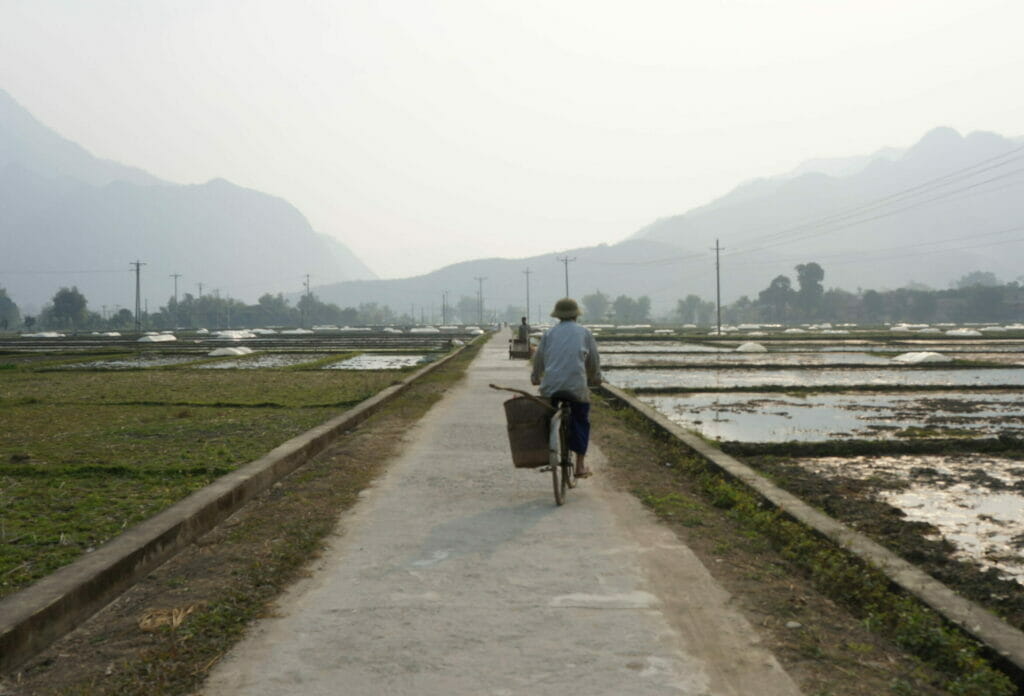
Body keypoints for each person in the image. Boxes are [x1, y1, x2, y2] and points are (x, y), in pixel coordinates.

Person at [530, 298, 602, 478]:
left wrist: (535, 377)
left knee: (546, 415)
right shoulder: (584, 333)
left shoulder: (549, 334)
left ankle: (549, 450)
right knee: (580, 420)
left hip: (551, 386)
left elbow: (539, 358)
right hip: (576, 386)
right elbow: (593, 360)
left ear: (558, 317)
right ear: (576, 315)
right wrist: (595, 378)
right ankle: (580, 466)